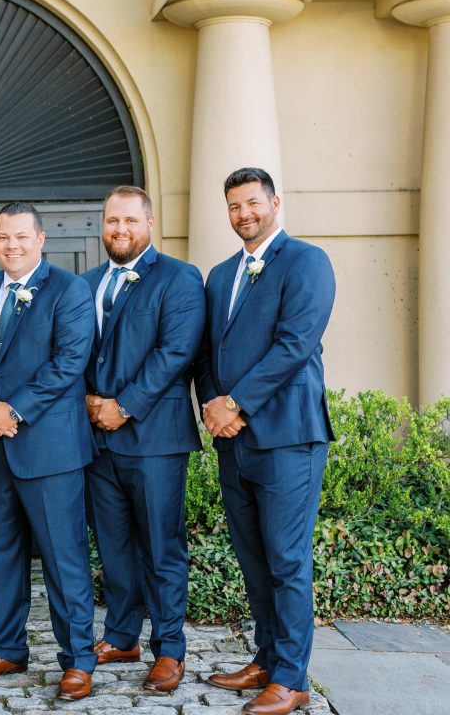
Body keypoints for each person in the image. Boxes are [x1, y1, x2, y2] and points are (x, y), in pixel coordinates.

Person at [195, 167, 336, 715]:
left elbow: (294, 344)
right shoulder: (220, 274)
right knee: (253, 557)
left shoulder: (306, 262)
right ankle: (266, 657)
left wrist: (236, 403)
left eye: (252, 203)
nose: (243, 214)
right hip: (233, 440)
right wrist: (213, 406)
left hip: (288, 438)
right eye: (233, 206)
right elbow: (207, 353)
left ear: (275, 203)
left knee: (287, 560)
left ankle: (293, 678)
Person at [0, 203, 97, 701]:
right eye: (2, 237)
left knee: (65, 559)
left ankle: (79, 659)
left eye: (20, 236)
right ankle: (7, 648)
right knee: (1, 556)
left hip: (50, 450)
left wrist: (13, 411)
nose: (11, 246)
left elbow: (68, 363)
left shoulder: (69, 290)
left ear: (40, 239)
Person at [81, 185, 206, 692]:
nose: (120, 230)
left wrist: (123, 406)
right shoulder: (85, 283)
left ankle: (170, 649)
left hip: (154, 438)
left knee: (161, 546)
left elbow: (175, 353)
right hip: (96, 440)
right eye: (112, 221)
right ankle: (121, 635)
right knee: (113, 547)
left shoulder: (179, 278)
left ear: (150, 224)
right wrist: (88, 401)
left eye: (130, 221)